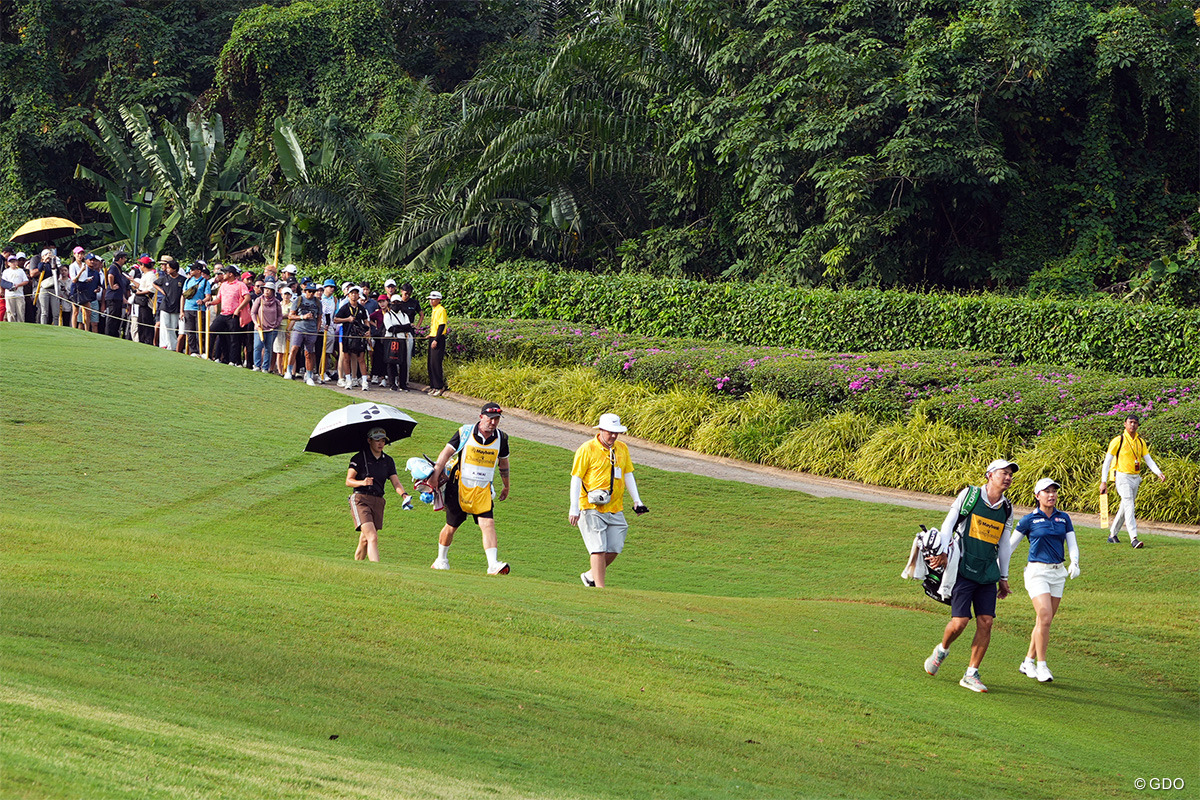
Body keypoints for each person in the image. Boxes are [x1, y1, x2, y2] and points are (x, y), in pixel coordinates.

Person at [923, 459, 1018, 693]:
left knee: (986, 621)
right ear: (989, 475)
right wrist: (943, 551)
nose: (1007, 477)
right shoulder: (970, 495)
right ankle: (942, 650)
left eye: (1010, 475)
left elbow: (1004, 544)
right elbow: (949, 523)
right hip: (963, 568)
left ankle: (971, 673)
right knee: (960, 623)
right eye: (1003, 473)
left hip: (987, 572)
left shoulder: (1007, 508)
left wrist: (1003, 577)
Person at [1009, 477, 1079, 684]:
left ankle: (1027, 661)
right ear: (1037, 495)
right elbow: (1010, 546)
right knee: (1045, 616)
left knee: (1043, 621)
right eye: (1046, 491)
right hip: (1037, 572)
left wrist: (1074, 562)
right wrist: (998, 568)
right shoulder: (1029, 520)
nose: (1051, 495)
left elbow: (1072, 544)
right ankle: (1042, 665)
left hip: (1058, 574)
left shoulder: (1063, 518)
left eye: (1054, 491)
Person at [430, 402, 511, 575]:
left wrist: (506, 485)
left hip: (483, 490)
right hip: (459, 487)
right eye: (491, 419)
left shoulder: (502, 438)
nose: (494, 423)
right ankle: (441, 560)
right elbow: (446, 453)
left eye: (497, 419)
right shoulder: (464, 432)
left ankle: (493, 564)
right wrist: (435, 475)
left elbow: (503, 462)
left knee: (488, 523)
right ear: (481, 417)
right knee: (451, 526)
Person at [569, 413, 649, 588]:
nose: (613, 436)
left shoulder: (622, 448)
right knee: (598, 548)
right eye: (610, 432)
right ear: (601, 430)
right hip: (590, 506)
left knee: (615, 547)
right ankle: (600, 588)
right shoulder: (587, 449)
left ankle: (591, 575)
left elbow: (628, 473)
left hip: (614, 507)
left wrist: (637, 500)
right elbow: (576, 478)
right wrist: (574, 508)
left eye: (616, 432)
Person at [347, 426, 413, 562]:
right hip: (361, 500)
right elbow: (349, 481)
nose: (380, 443)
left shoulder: (388, 461)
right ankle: (376, 569)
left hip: (378, 501)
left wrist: (404, 495)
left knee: (365, 539)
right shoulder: (359, 458)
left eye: (383, 440)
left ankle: (356, 566)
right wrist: (363, 482)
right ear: (369, 440)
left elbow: (396, 483)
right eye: (377, 440)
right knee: (372, 537)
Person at [1100, 414, 1165, 549]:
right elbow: (1107, 462)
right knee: (1129, 505)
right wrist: (1103, 481)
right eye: (1130, 422)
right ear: (1125, 424)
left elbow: (1148, 459)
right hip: (1122, 477)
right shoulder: (1118, 440)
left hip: (1135, 477)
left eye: (1135, 423)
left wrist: (1158, 472)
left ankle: (1113, 534)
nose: (1133, 425)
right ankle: (1133, 538)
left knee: (1125, 507)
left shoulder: (1140, 442)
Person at [286, 282, 322, 385]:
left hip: (311, 330)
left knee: (309, 353)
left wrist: (317, 330)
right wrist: (303, 317)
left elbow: (319, 318)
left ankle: (309, 375)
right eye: (309, 291)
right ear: (305, 291)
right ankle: (289, 371)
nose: (311, 293)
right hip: (299, 329)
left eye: (313, 292)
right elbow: (291, 316)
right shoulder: (299, 300)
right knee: (294, 349)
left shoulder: (318, 303)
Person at [335, 286, 370, 390]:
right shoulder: (345, 307)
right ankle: (348, 380)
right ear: (348, 295)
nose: (354, 295)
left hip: (359, 337)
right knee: (346, 358)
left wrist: (368, 331)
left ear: (358, 295)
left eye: (356, 293)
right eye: (352, 293)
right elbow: (336, 319)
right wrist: (347, 319)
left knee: (361, 359)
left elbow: (366, 321)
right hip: (347, 335)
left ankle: (364, 382)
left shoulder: (361, 308)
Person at [380, 296, 413, 390]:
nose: (396, 305)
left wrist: (397, 328)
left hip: (402, 340)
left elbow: (408, 327)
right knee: (391, 361)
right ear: (391, 304)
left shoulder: (404, 315)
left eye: (398, 302)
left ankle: (403, 384)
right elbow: (390, 328)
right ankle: (392, 383)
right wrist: (403, 327)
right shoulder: (387, 315)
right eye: (394, 302)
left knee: (403, 362)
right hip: (391, 339)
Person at [251, 281, 283, 372]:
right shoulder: (259, 300)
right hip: (260, 328)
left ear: (273, 291)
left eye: (269, 290)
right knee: (258, 346)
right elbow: (253, 313)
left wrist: (277, 323)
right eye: (265, 289)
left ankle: (265, 367)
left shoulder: (276, 302)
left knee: (268, 348)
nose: (267, 291)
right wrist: (256, 323)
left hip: (272, 329)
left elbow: (280, 315)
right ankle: (256, 365)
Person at [181, 261, 211, 356]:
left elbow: (208, 296)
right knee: (190, 331)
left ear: (198, 271)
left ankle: (201, 350)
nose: (191, 271)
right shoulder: (188, 281)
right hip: (188, 308)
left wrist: (202, 301)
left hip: (199, 309)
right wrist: (181, 310)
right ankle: (193, 351)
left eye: (193, 269)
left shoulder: (205, 282)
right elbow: (183, 296)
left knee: (200, 331)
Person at [154, 256, 184, 349]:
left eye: (168, 268)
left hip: (176, 306)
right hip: (165, 305)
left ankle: (172, 345)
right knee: (165, 325)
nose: (167, 270)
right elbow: (154, 283)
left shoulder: (182, 279)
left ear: (174, 269)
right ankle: (164, 344)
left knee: (173, 326)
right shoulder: (165, 278)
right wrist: (161, 291)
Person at [102, 252, 131, 337]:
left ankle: (114, 334)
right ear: (120, 258)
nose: (125, 260)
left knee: (116, 318)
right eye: (124, 258)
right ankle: (109, 334)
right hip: (113, 296)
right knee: (112, 318)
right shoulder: (114, 267)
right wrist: (111, 286)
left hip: (118, 297)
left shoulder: (118, 268)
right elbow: (110, 276)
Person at [132, 256, 158, 344]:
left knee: (146, 324)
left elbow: (151, 290)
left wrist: (138, 292)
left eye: (141, 264)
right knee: (141, 324)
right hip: (141, 302)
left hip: (147, 303)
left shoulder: (151, 275)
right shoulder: (145, 275)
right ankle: (142, 341)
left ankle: (147, 342)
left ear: (143, 265)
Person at [426, 290, 448, 395]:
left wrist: (436, 339)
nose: (431, 301)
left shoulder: (441, 310)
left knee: (436, 363)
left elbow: (441, 326)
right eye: (430, 299)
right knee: (430, 363)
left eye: (433, 299)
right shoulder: (434, 310)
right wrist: (431, 335)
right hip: (433, 337)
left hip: (438, 339)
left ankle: (439, 386)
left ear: (439, 300)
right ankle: (433, 386)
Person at [2, 254, 29, 322]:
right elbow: (3, 282)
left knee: (20, 312)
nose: (13, 263)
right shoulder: (6, 272)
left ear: (17, 262)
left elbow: (26, 281)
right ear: (8, 263)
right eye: (11, 262)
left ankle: (21, 326)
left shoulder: (21, 271)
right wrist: (9, 286)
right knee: (10, 312)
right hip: (9, 295)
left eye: (14, 261)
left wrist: (18, 285)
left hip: (19, 294)